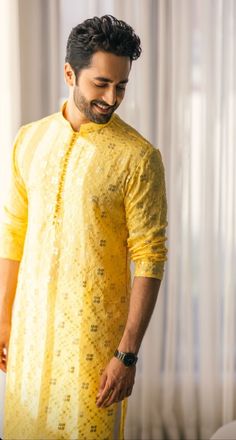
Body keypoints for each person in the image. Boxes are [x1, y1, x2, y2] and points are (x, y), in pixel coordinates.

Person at [0, 14, 168, 440]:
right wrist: (3, 320)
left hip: (94, 351)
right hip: (29, 339)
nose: (112, 98)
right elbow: (13, 231)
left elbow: (150, 258)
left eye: (122, 85)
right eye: (101, 84)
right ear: (69, 73)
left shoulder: (139, 157)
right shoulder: (29, 140)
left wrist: (126, 355)